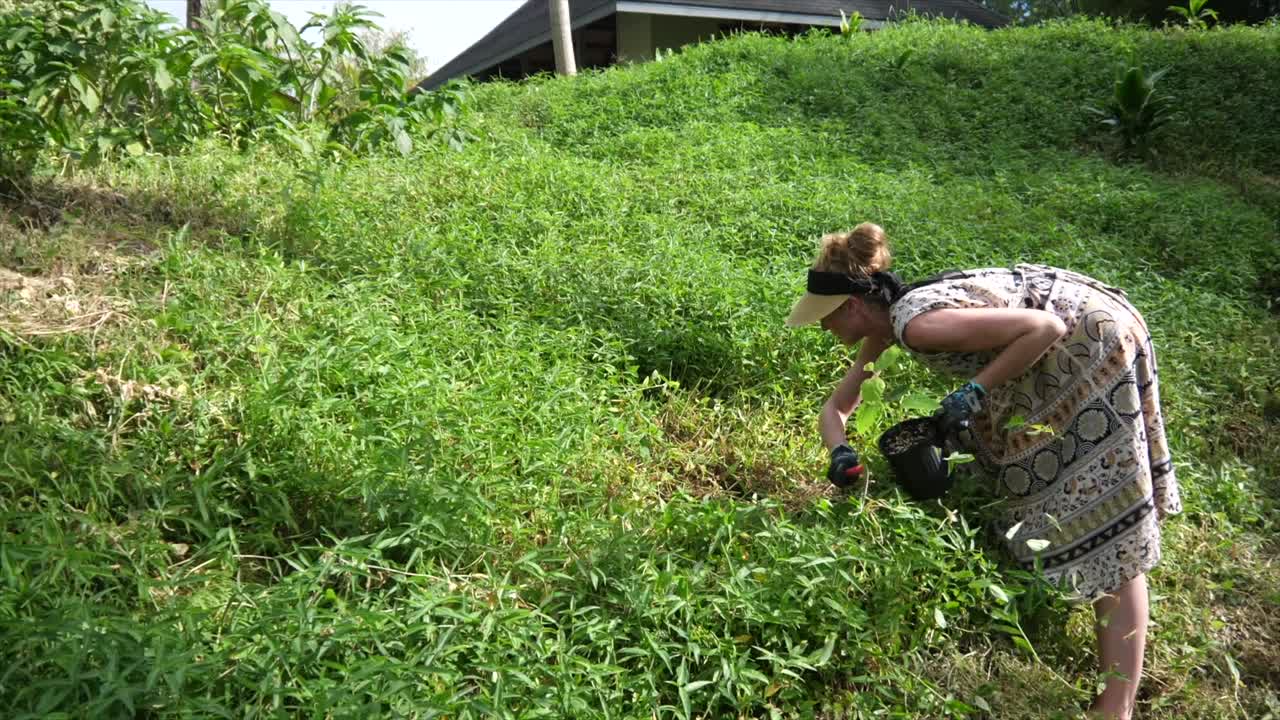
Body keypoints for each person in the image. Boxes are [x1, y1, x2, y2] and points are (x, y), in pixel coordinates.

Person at [785, 222, 1181, 720]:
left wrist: (971, 393)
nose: (824, 329)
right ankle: (1035, 567)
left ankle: (1116, 705)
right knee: (998, 453)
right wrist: (840, 453)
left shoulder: (915, 324)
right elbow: (837, 407)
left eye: (826, 319)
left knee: (1102, 515)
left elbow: (1045, 329)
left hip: (1092, 341)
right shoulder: (891, 322)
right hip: (1084, 332)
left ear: (855, 306)